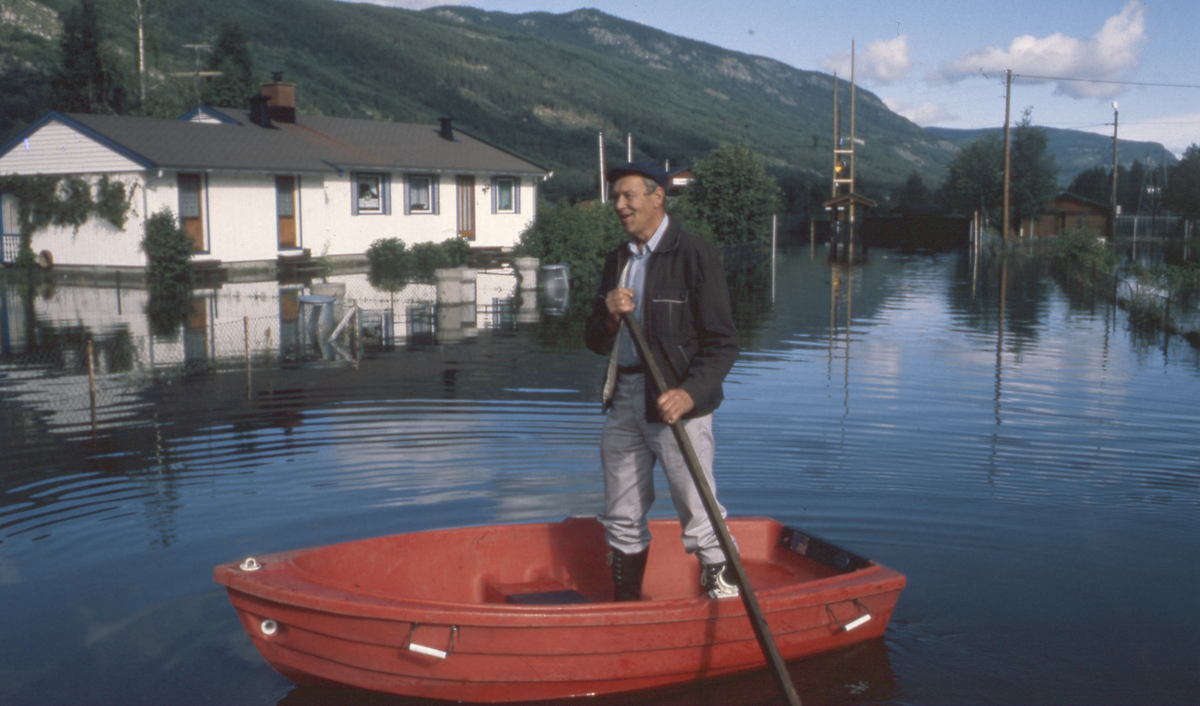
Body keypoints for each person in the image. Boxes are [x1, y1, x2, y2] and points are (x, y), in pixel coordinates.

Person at [584, 160, 740, 602]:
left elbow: (724, 343)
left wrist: (689, 394)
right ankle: (627, 604)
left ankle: (724, 599)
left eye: (628, 195)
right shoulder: (618, 259)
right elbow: (595, 340)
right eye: (615, 196)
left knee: (698, 507)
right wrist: (610, 316)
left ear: (658, 197)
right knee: (622, 511)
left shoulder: (694, 253)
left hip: (676, 404)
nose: (619, 205)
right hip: (624, 399)